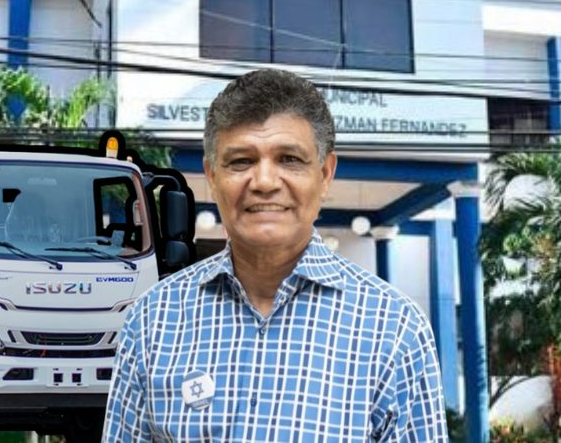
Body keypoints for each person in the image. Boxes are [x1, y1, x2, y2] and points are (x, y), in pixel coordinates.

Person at [102, 69, 448, 441]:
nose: (265, 182)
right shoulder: (152, 321)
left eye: (289, 159)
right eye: (241, 161)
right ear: (212, 176)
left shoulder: (395, 330)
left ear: (325, 174)